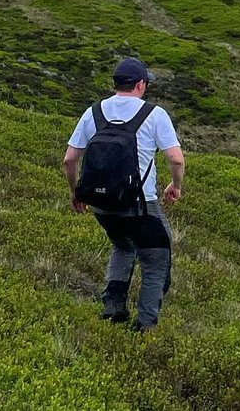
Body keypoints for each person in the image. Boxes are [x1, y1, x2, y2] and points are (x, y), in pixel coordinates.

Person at [62, 57, 184, 333]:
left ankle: (113, 307)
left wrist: (75, 192)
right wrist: (175, 185)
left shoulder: (93, 112)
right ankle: (145, 325)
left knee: (122, 246)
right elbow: (175, 159)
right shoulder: (154, 114)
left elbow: (69, 159)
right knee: (156, 260)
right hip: (141, 205)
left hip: (102, 205)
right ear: (140, 85)